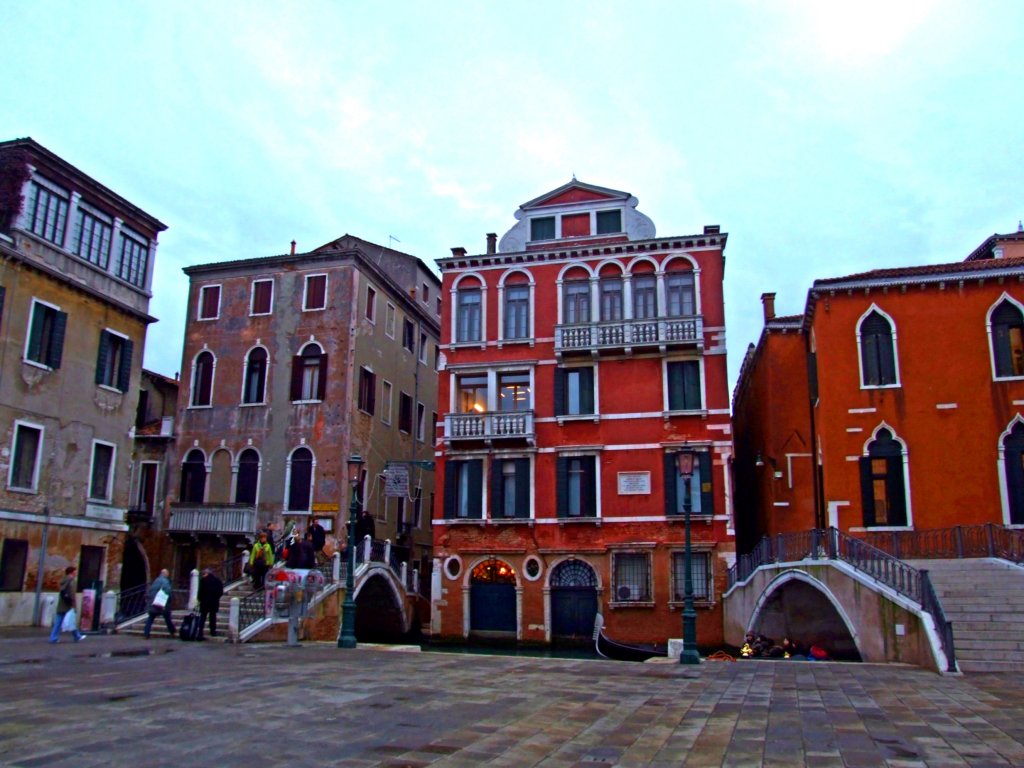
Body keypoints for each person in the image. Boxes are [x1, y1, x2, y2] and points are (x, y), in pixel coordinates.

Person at [49, 566, 85, 643]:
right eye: (75, 571)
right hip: (68, 604)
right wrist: (72, 602)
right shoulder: (71, 580)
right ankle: (77, 636)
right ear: (72, 572)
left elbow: (62, 590)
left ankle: (53, 638)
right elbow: (71, 592)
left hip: (62, 603)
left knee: (59, 621)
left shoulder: (64, 580)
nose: (76, 573)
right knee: (71, 619)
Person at [143, 569, 176, 639]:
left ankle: (146, 633)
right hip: (162, 603)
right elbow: (168, 592)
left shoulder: (155, 581)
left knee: (150, 618)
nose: (168, 575)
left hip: (153, 603)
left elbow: (150, 591)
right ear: (165, 574)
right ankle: (172, 632)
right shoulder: (165, 582)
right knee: (167, 618)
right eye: (167, 574)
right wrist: (169, 601)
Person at [197, 568, 224, 641]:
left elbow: (200, 592)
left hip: (204, 602)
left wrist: (200, 599)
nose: (203, 575)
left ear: (207, 573)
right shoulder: (217, 581)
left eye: (204, 574)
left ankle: (200, 633)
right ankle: (213, 631)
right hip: (213, 602)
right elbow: (220, 592)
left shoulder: (203, 581)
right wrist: (216, 598)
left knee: (203, 617)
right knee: (212, 617)